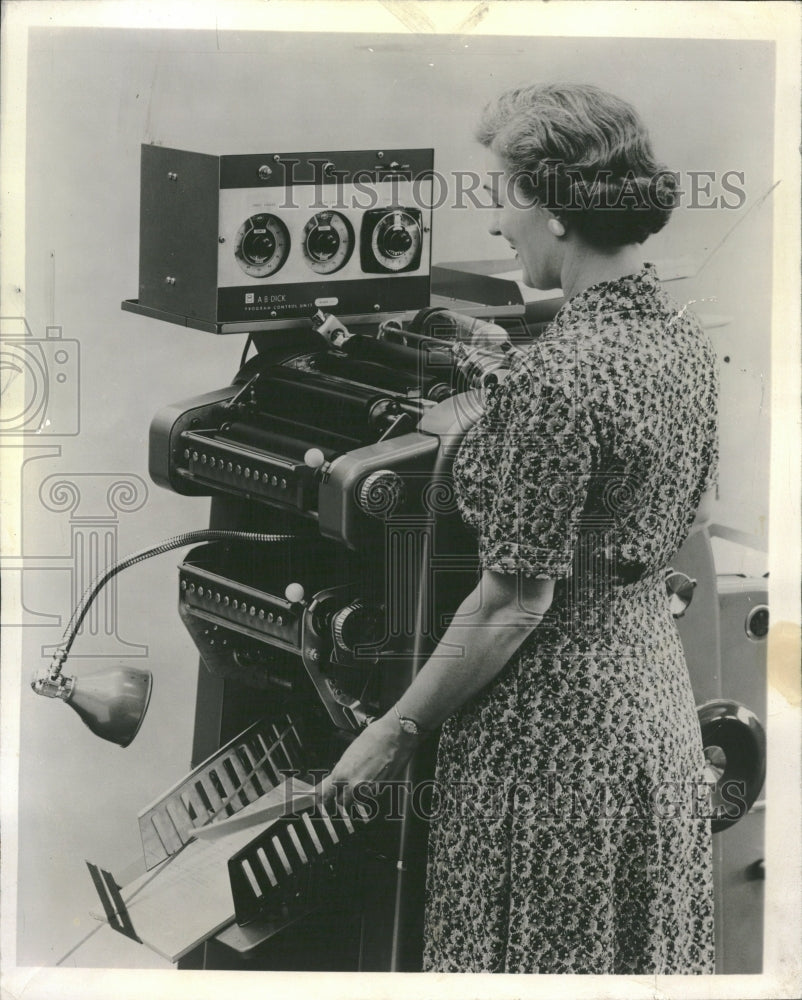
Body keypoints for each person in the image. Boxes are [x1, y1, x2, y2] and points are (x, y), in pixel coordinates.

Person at [320, 82, 718, 975]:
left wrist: (391, 731)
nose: (500, 225)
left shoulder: (558, 380)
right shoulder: (684, 344)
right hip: (652, 715)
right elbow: (662, 515)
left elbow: (511, 605)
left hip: (549, 752)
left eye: (505, 195)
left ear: (556, 211)